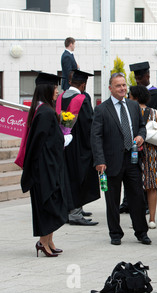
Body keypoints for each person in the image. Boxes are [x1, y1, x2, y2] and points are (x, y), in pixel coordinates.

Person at [90, 72, 150, 246]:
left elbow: (142, 127)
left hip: (132, 160)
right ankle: (115, 233)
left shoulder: (133, 106)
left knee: (137, 198)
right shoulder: (101, 109)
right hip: (110, 162)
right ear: (110, 88)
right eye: (118, 85)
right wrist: (99, 161)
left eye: (124, 85)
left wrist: (141, 136)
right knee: (112, 200)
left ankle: (141, 232)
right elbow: (96, 137)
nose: (123, 88)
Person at [20, 72, 68, 257]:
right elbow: (38, 145)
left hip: (47, 167)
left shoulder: (42, 111)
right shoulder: (46, 112)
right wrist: (63, 141)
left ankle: (48, 241)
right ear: (47, 89)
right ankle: (43, 242)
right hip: (44, 170)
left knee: (50, 204)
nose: (57, 91)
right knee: (47, 205)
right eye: (55, 88)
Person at [57, 70, 99, 226]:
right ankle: (75, 213)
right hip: (81, 146)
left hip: (65, 144)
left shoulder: (61, 97)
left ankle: (73, 209)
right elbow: (90, 124)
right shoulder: (82, 99)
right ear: (83, 84)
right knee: (79, 177)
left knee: (68, 177)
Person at [128, 85, 157, 229]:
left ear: (135, 97)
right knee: (152, 187)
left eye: (130, 96)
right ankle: (152, 219)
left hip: (134, 152)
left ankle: (137, 220)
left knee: (135, 187)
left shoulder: (131, 111)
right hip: (152, 154)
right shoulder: (155, 113)